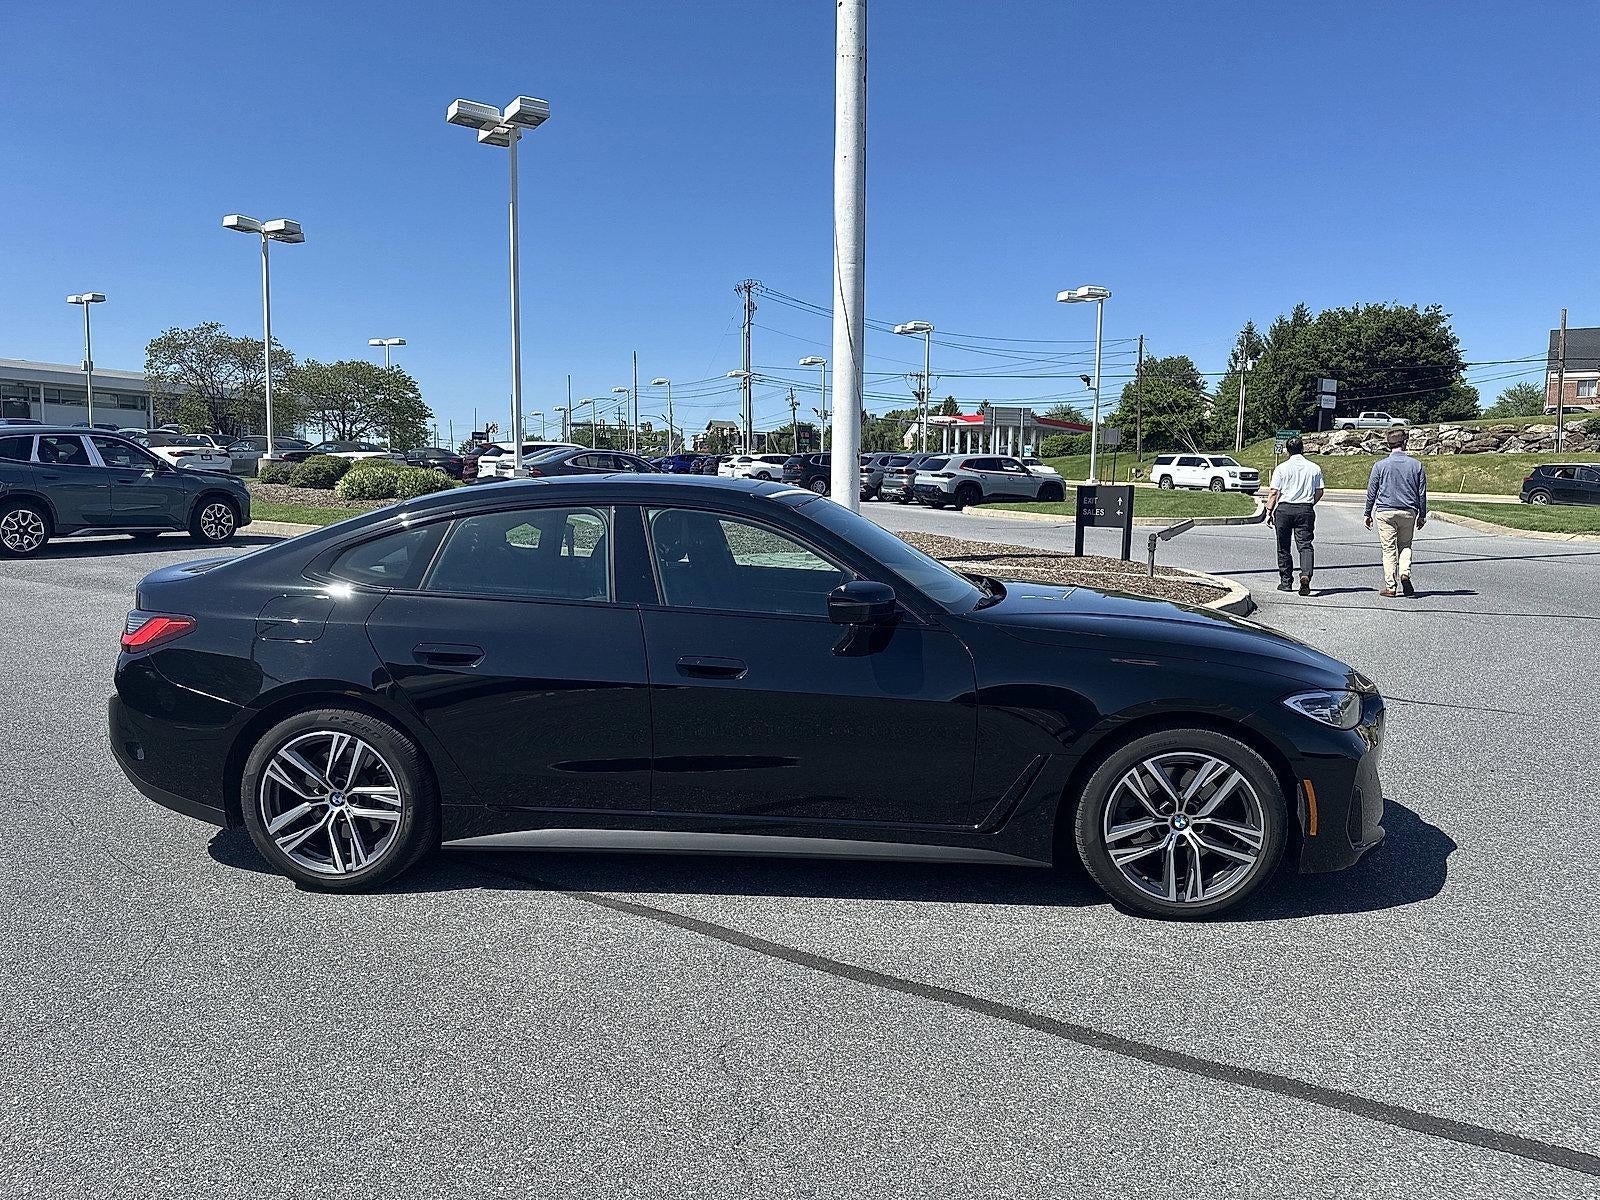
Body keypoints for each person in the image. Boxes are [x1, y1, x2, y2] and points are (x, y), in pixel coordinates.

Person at [1364, 428, 1429, 597]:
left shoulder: (1380, 466)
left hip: (1385, 511)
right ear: (1405, 443)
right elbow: (1421, 493)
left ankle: (1391, 586)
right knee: (1405, 545)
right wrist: (1422, 514)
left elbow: (1372, 491)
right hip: (1408, 511)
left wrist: (1367, 512)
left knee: (1388, 550)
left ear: (1388, 444)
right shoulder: (1417, 465)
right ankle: (1405, 573)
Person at [1265, 436, 1324, 595]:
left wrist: (1269, 511)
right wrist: (1310, 503)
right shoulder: (1314, 468)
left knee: (1283, 546)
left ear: (1287, 451)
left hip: (1284, 509)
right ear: (1302, 449)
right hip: (1305, 508)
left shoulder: (1281, 468)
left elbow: (1274, 492)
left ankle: (1286, 581)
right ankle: (1305, 575)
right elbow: (1319, 491)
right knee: (1305, 545)